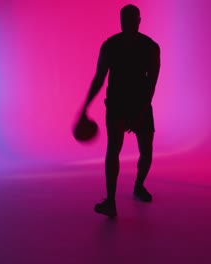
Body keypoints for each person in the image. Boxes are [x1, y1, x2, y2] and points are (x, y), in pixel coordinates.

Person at [80, 4, 160, 217]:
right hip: (116, 103)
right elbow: (99, 78)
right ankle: (111, 201)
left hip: (140, 102)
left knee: (146, 150)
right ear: (121, 21)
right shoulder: (110, 45)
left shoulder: (151, 47)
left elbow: (152, 83)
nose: (128, 23)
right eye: (124, 19)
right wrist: (85, 106)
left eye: (132, 19)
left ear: (139, 21)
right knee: (113, 149)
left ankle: (138, 185)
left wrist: (141, 112)